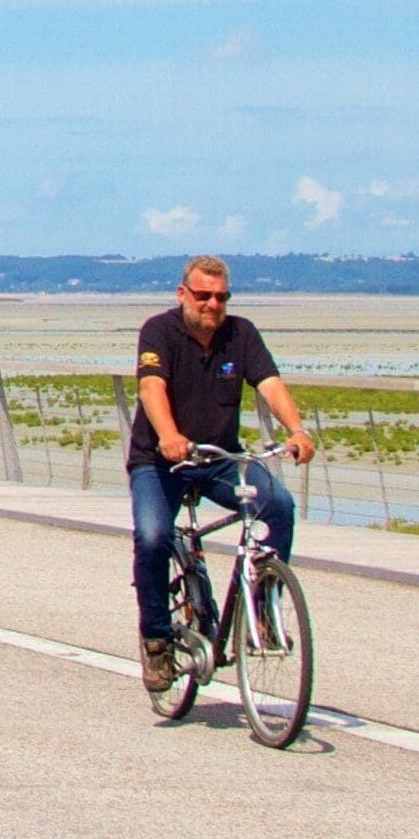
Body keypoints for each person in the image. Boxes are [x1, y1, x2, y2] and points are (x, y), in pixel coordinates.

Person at [128, 255, 316, 690]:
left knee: (278, 506)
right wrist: (170, 435)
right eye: (203, 296)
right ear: (183, 295)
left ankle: (264, 610)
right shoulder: (159, 331)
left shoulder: (241, 334)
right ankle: (156, 642)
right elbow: (150, 386)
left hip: (218, 459)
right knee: (154, 538)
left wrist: (298, 431)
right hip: (161, 462)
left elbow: (269, 382)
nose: (213, 304)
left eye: (221, 297)